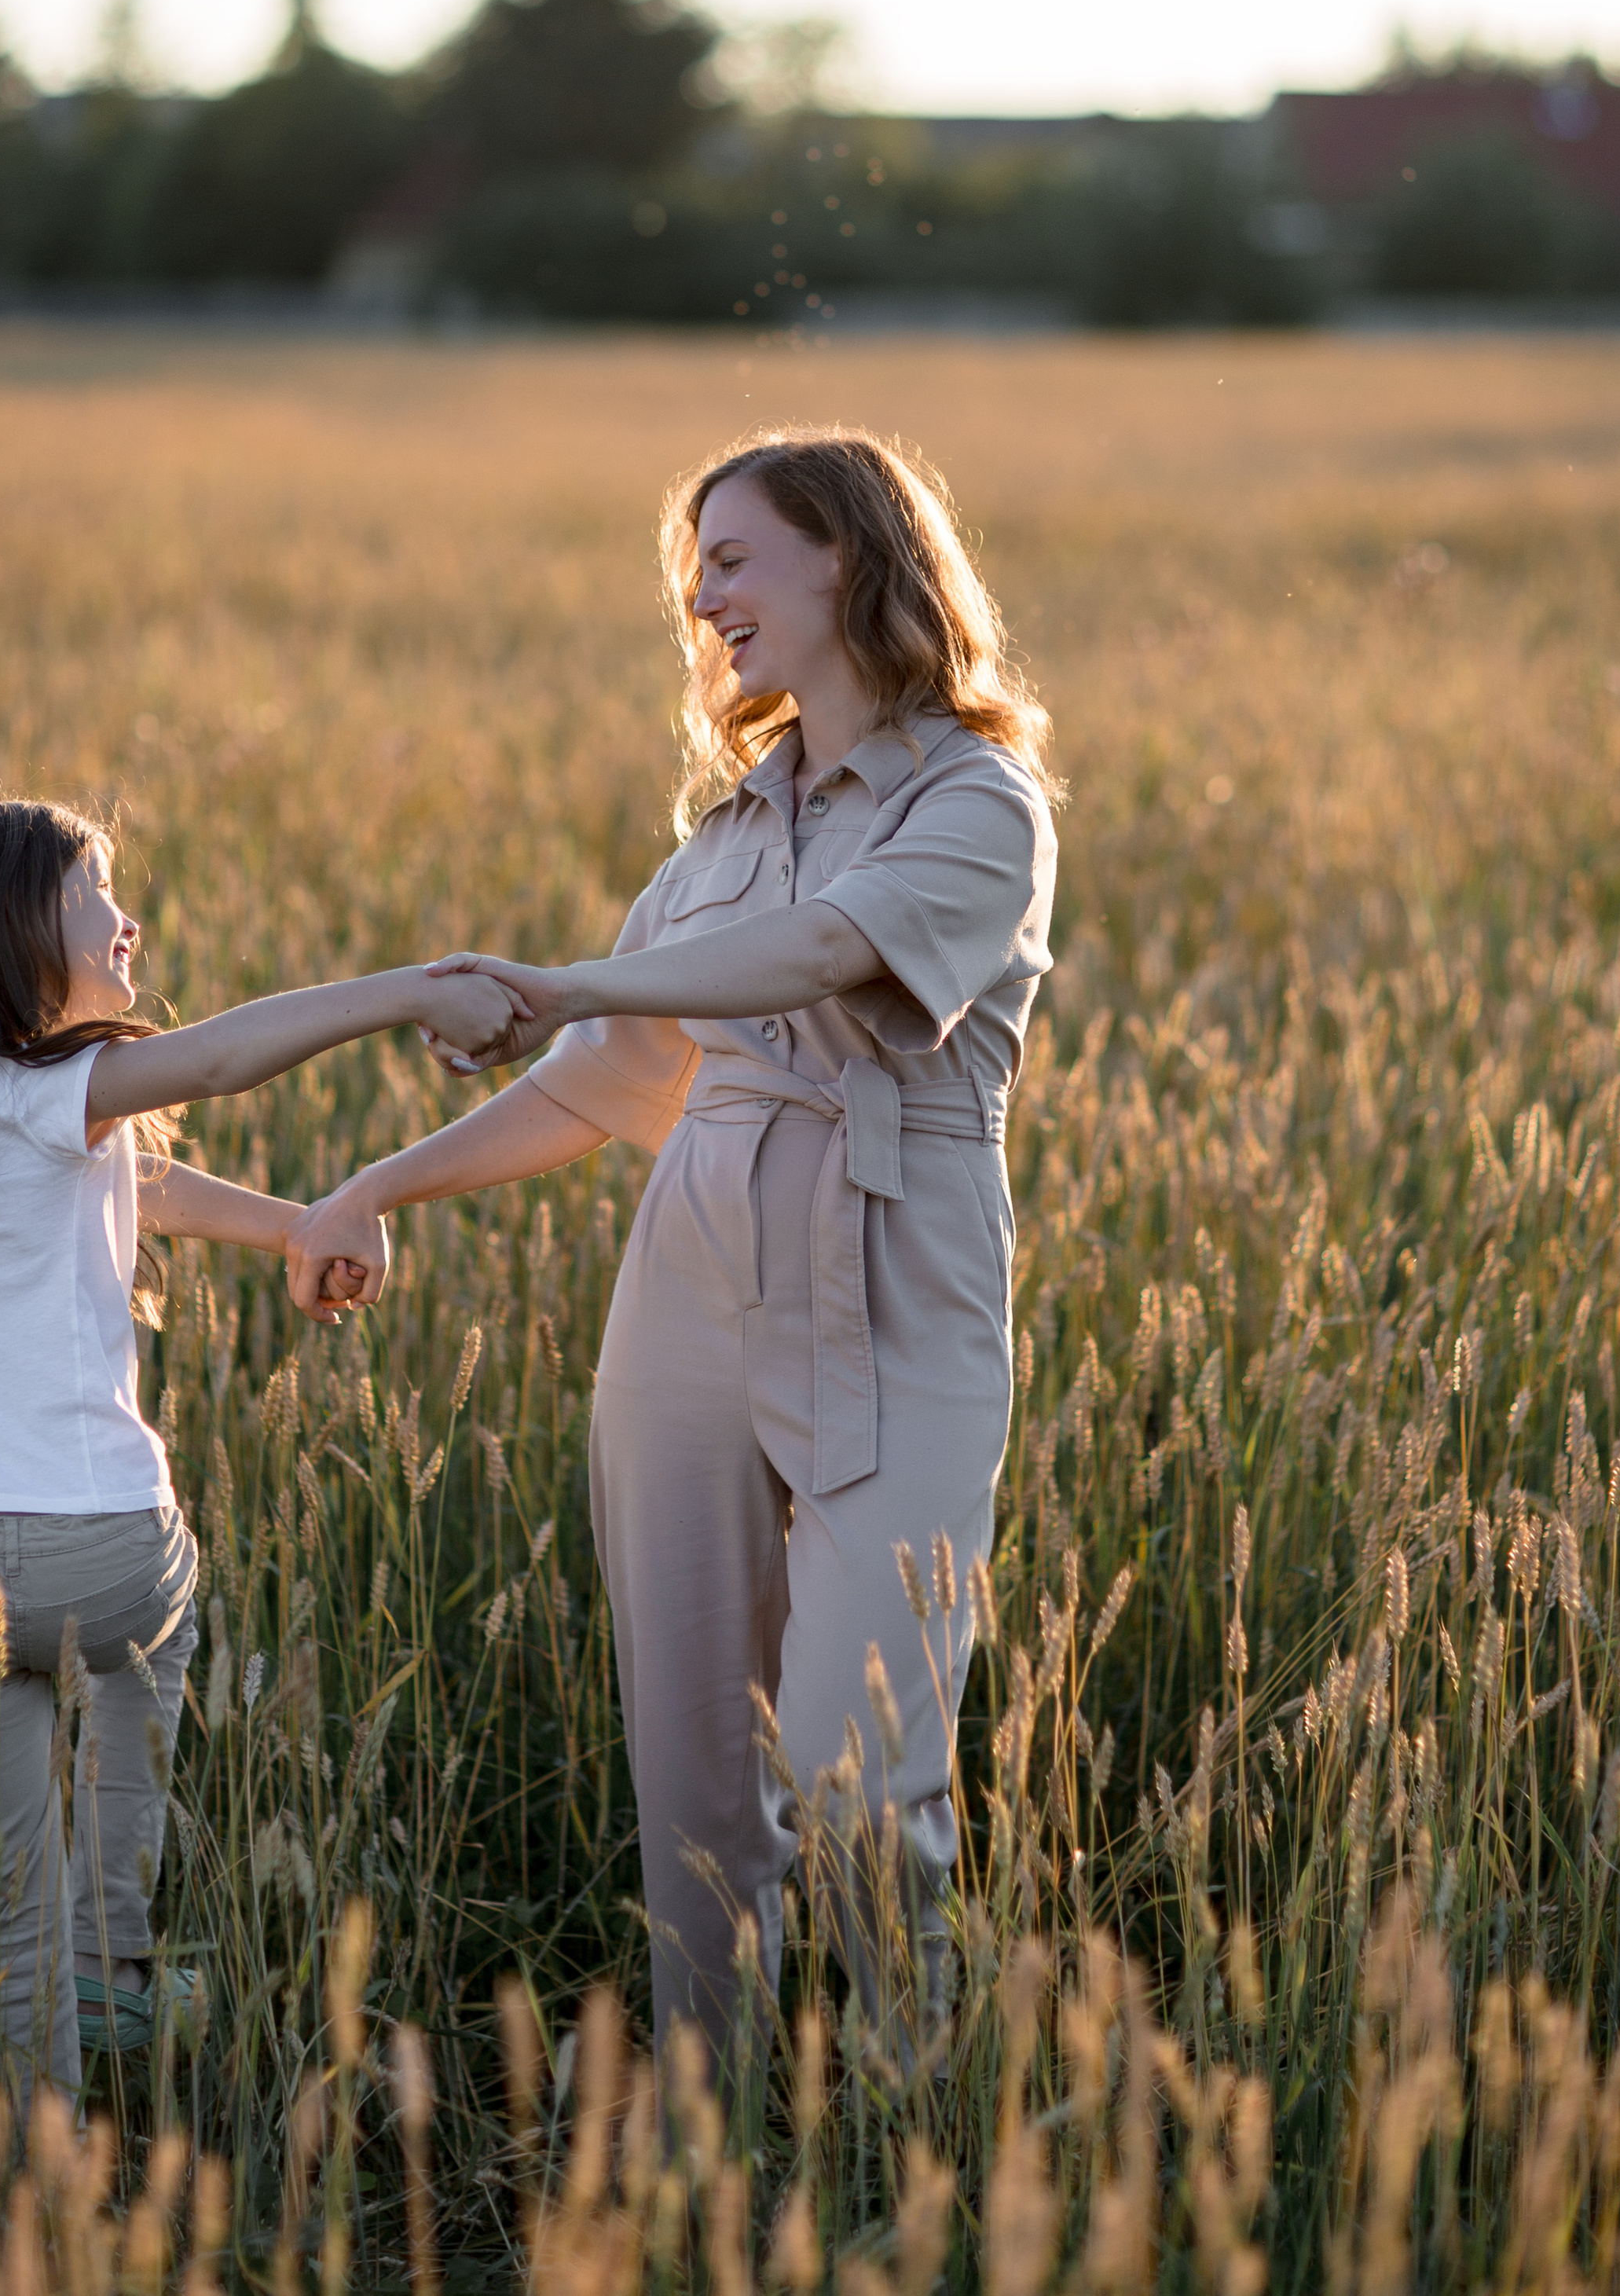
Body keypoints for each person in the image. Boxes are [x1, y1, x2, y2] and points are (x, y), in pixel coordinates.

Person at [286, 430, 1057, 2062]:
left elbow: (829, 952)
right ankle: (712, 2121)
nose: (699, 601)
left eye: (731, 560)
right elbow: (605, 1091)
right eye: (691, 571)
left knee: (862, 1771)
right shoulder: (722, 832)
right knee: (694, 1765)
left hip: (894, 1271)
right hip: (691, 1269)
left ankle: (915, 2104)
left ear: (848, 556)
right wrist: (375, 1184)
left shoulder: (976, 798)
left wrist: (572, 976)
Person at [0, 797, 522, 2100]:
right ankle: (118, 1952)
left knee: (1, 1926)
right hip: (102, 1548)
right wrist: (406, 990)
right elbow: (211, 1068)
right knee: (156, 1643)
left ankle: (32, 2174)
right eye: (97, 890)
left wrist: (291, 1225)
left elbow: (135, 1183)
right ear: (12, 931)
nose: (128, 916)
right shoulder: (51, 1090)